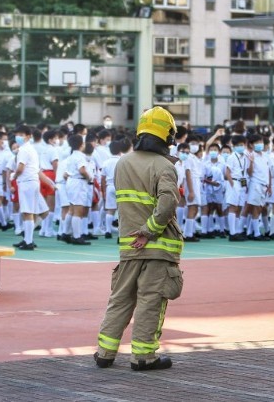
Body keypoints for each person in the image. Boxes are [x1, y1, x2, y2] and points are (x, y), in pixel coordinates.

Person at [94, 106, 183, 371]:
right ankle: (144, 357)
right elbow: (167, 204)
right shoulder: (164, 166)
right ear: (167, 136)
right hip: (157, 247)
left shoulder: (123, 162)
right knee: (150, 301)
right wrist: (149, 230)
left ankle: (104, 353)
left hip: (127, 247)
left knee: (120, 299)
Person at [12, 125, 53, 250]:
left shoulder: (24, 150)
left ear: (28, 136)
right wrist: (50, 182)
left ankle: (28, 241)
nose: (18, 137)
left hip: (26, 182)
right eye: (17, 134)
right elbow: (36, 170)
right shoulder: (31, 149)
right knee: (42, 211)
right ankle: (27, 238)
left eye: (22, 135)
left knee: (27, 212)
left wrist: (14, 176)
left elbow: (20, 168)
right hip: (32, 181)